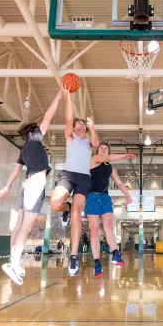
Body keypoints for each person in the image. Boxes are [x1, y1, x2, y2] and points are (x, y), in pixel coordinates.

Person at [0, 86, 64, 285]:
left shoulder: (23, 149)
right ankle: (14, 263)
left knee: (19, 225)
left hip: (26, 184)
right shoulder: (35, 138)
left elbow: (16, 170)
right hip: (35, 182)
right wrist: (59, 94)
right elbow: (49, 116)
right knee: (26, 227)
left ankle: (13, 261)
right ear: (32, 132)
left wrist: (8, 186)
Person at [49, 87, 99, 277]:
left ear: (84, 129)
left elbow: (96, 141)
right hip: (68, 174)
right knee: (55, 204)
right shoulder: (70, 139)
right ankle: (65, 208)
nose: (79, 125)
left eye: (82, 125)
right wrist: (68, 96)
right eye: (77, 124)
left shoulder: (88, 142)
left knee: (78, 215)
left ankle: (74, 257)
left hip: (83, 178)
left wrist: (92, 126)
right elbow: (68, 119)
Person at [84, 142, 134, 275]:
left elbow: (119, 182)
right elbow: (107, 158)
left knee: (108, 227)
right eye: (101, 147)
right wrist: (123, 155)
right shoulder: (94, 160)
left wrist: (128, 195)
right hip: (92, 197)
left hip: (105, 197)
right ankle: (96, 262)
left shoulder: (110, 168)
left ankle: (116, 254)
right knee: (94, 229)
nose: (104, 148)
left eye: (106, 148)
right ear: (98, 151)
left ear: (108, 151)